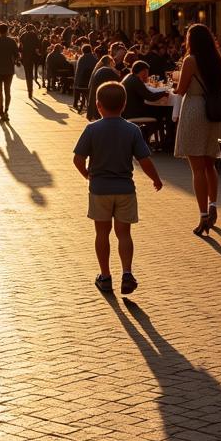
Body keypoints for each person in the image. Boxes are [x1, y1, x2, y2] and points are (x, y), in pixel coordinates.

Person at [73, 81, 162, 296]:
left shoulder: (92, 129)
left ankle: (105, 276)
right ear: (124, 105)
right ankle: (127, 273)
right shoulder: (132, 130)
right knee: (124, 234)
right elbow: (144, 160)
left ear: (98, 105)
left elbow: (77, 158)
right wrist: (156, 179)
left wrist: (87, 174)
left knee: (102, 233)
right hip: (125, 189)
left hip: (99, 189)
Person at [174, 23, 221, 237]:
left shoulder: (190, 60)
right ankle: (214, 203)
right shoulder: (219, 61)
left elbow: (181, 90)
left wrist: (177, 82)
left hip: (195, 109)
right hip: (213, 112)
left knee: (197, 168)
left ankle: (203, 215)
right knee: (210, 163)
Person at [121, 60, 169, 135]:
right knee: (162, 112)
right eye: (147, 72)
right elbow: (150, 97)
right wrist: (164, 93)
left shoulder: (130, 77)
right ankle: (146, 136)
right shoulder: (135, 81)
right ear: (143, 71)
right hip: (133, 112)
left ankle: (147, 136)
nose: (147, 75)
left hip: (127, 111)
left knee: (159, 111)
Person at [85, 57, 122, 122]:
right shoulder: (108, 71)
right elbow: (120, 83)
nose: (114, 64)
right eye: (113, 62)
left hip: (94, 102)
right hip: (102, 102)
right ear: (110, 62)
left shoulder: (100, 70)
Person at [19, 24, 40, 98]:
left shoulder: (23, 35)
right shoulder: (34, 35)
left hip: (25, 56)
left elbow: (20, 47)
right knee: (30, 73)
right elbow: (37, 47)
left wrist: (21, 56)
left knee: (27, 73)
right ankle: (30, 90)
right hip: (32, 56)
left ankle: (29, 90)